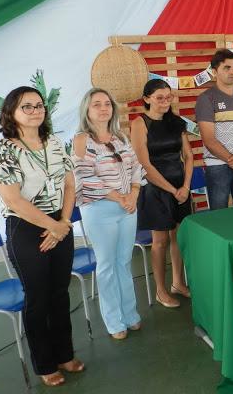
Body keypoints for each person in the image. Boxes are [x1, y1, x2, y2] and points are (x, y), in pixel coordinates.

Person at [0, 86, 84, 387]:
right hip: (26, 228)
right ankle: (45, 364)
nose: (35, 111)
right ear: (11, 112)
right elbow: (13, 200)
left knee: (60, 293)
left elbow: (70, 185)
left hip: (60, 222)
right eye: (26, 106)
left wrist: (63, 222)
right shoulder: (2, 150)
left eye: (39, 105)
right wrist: (53, 227)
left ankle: (65, 354)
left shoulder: (53, 142)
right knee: (38, 298)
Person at [73, 88, 142, 340]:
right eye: (97, 104)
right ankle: (114, 322)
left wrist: (133, 194)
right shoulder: (82, 140)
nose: (103, 108)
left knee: (123, 262)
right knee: (106, 266)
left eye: (107, 104)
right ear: (87, 110)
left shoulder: (120, 137)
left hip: (128, 207)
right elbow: (84, 177)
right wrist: (120, 198)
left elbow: (136, 167)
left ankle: (130, 314)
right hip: (100, 210)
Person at [131, 79, 193, 309]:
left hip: (180, 187)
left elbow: (188, 156)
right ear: (147, 99)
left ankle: (178, 283)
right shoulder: (140, 123)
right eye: (160, 98)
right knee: (160, 241)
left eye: (168, 97)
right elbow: (144, 164)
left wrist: (185, 186)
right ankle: (161, 290)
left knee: (178, 237)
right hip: (155, 188)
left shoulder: (177, 122)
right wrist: (173, 190)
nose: (165, 102)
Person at [195, 49, 233, 209]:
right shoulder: (206, 98)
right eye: (226, 67)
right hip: (217, 165)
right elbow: (209, 140)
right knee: (219, 216)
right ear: (214, 71)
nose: (232, 71)